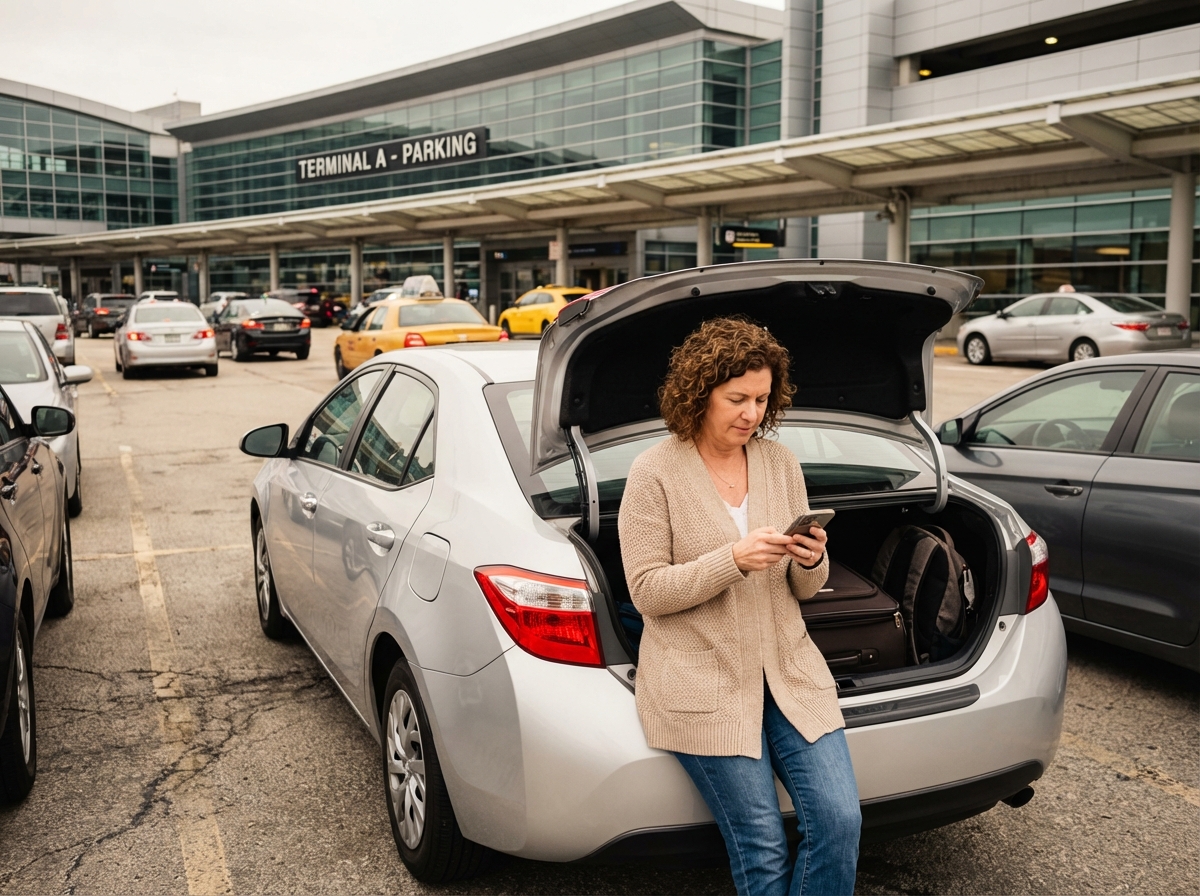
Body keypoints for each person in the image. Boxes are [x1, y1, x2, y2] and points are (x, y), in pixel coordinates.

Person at [618, 317, 860, 896]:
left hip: (790, 675)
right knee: (763, 846)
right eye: (737, 399)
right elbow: (647, 590)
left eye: (762, 399)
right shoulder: (654, 472)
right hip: (704, 683)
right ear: (699, 393)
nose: (752, 413)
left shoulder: (780, 463)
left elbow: (805, 589)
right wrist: (733, 559)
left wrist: (811, 559)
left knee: (840, 821)